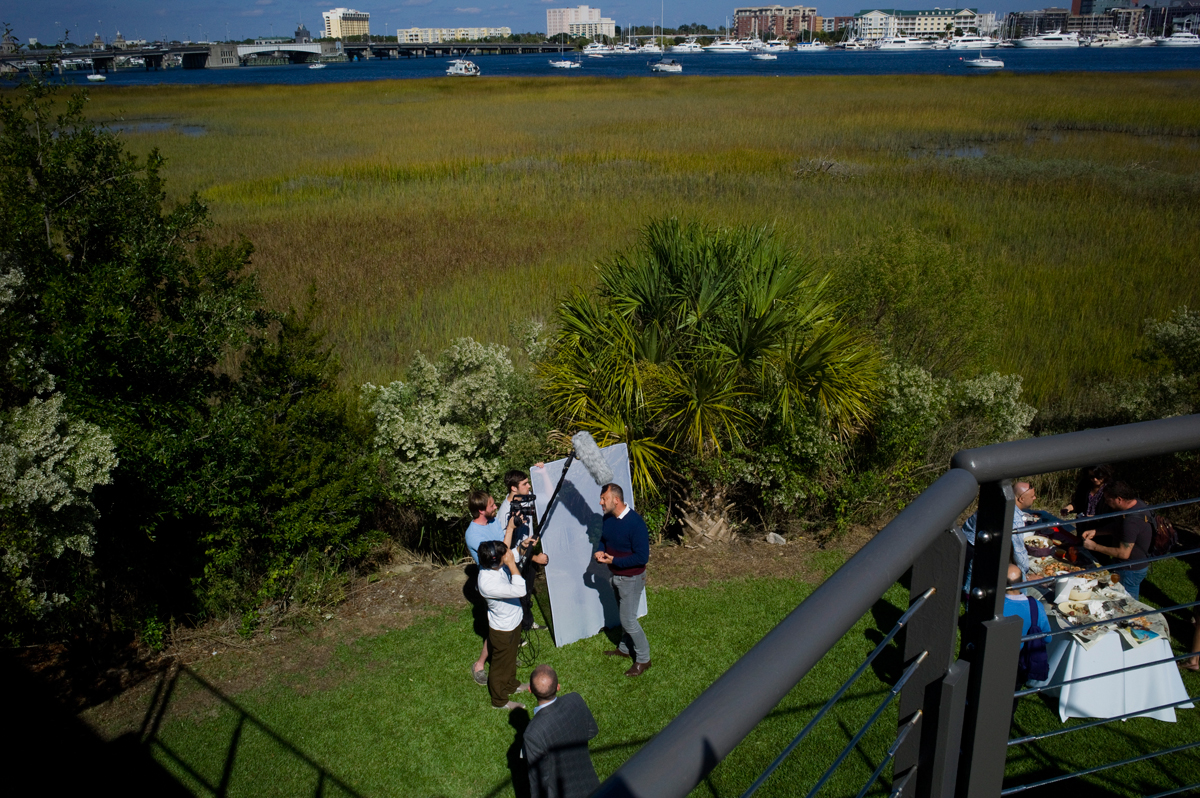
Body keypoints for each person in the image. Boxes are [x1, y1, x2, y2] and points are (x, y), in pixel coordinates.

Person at [466, 490, 524, 685]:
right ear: (481, 510)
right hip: (492, 583)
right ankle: (480, 665)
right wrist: (509, 529)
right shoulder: (473, 535)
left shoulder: (491, 522)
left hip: (504, 576)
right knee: (496, 630)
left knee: (509, 623)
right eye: (492, 505)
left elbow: (504, 549)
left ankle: (506, 656)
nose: (496, 507)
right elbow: (501, 553)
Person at [593, 483, 651, 676]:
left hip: (632, 578)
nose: (601, 502)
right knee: (625, 616)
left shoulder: (636, 524)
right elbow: (604, 538)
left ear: (616, 500)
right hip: (615, 575)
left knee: (628, 620)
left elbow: (642, 557)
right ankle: (625, 650)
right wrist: (601, 549)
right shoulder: (608, 518)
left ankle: (644, 659)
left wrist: (614, 560)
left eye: (604, 499)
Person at [523, 665, 600, 798]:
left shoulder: (533, 734)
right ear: (558, 687)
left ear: (530, 690)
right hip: (590, 783)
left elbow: (538, 781)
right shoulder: (575, 700)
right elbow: (592, 731)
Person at [477, 540, 530, 710]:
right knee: (500, 666)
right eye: (503, 558)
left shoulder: (493, 565)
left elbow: (509, 554)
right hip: (503, 629)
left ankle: (511, 685)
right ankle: (499, 701)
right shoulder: (487, 583)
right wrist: (512, 564)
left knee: (511, 658)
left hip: (513, 621)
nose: (506, 558)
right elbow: (521, 589)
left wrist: (522, 547)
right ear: (494, 561)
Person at [961, 481, 1038, 596]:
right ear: (1021, 499)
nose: (1035, 498)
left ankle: (967, 594)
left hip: (966, 541)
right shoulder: (1015, 519)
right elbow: (1018, 551)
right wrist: (1024, 573)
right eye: (1032, 496)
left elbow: (968, 524)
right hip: (978, 549)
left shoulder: (994, 500)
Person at [496, 469, 550, 632]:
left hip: (529, 551)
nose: (529, 486)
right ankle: (518, 628)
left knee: (526, 592)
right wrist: (535, 558)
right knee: (519, 593)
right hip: (517, 560)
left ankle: (526, 622)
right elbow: (506, 548)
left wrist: (544, 473)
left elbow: (549, 496)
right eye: (525, 484)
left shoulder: (526, 498)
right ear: (513, 488)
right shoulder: (504, 514)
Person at [1081, 481, 1153, 600]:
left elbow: (1123, 553)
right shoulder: (1137, 505)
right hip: (1135, 566)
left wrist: (1094, 547)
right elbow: (1119, 527)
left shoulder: (1131, 522)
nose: (1106, 502)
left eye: (1108, 499)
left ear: (1119, 499)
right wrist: (1096, 531)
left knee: (1125, 602)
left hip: (1129, 570)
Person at [1002, 564, 1050, 686]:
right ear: (1022, 582)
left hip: (995, 657)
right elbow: (1048, 638)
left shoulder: (995, 606)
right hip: (1022, 662)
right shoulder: (1036, 606)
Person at [1062, 464, 1114, 534]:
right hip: (1083, 528)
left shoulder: (1111, 489)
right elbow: (1078, 503)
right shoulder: (1085, 485)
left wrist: (1094, 517)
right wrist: (1068, 509)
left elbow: (1111, 516)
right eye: (1091, 477)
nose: (1095, 479)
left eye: (1098, 476)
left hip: (1100, 531)